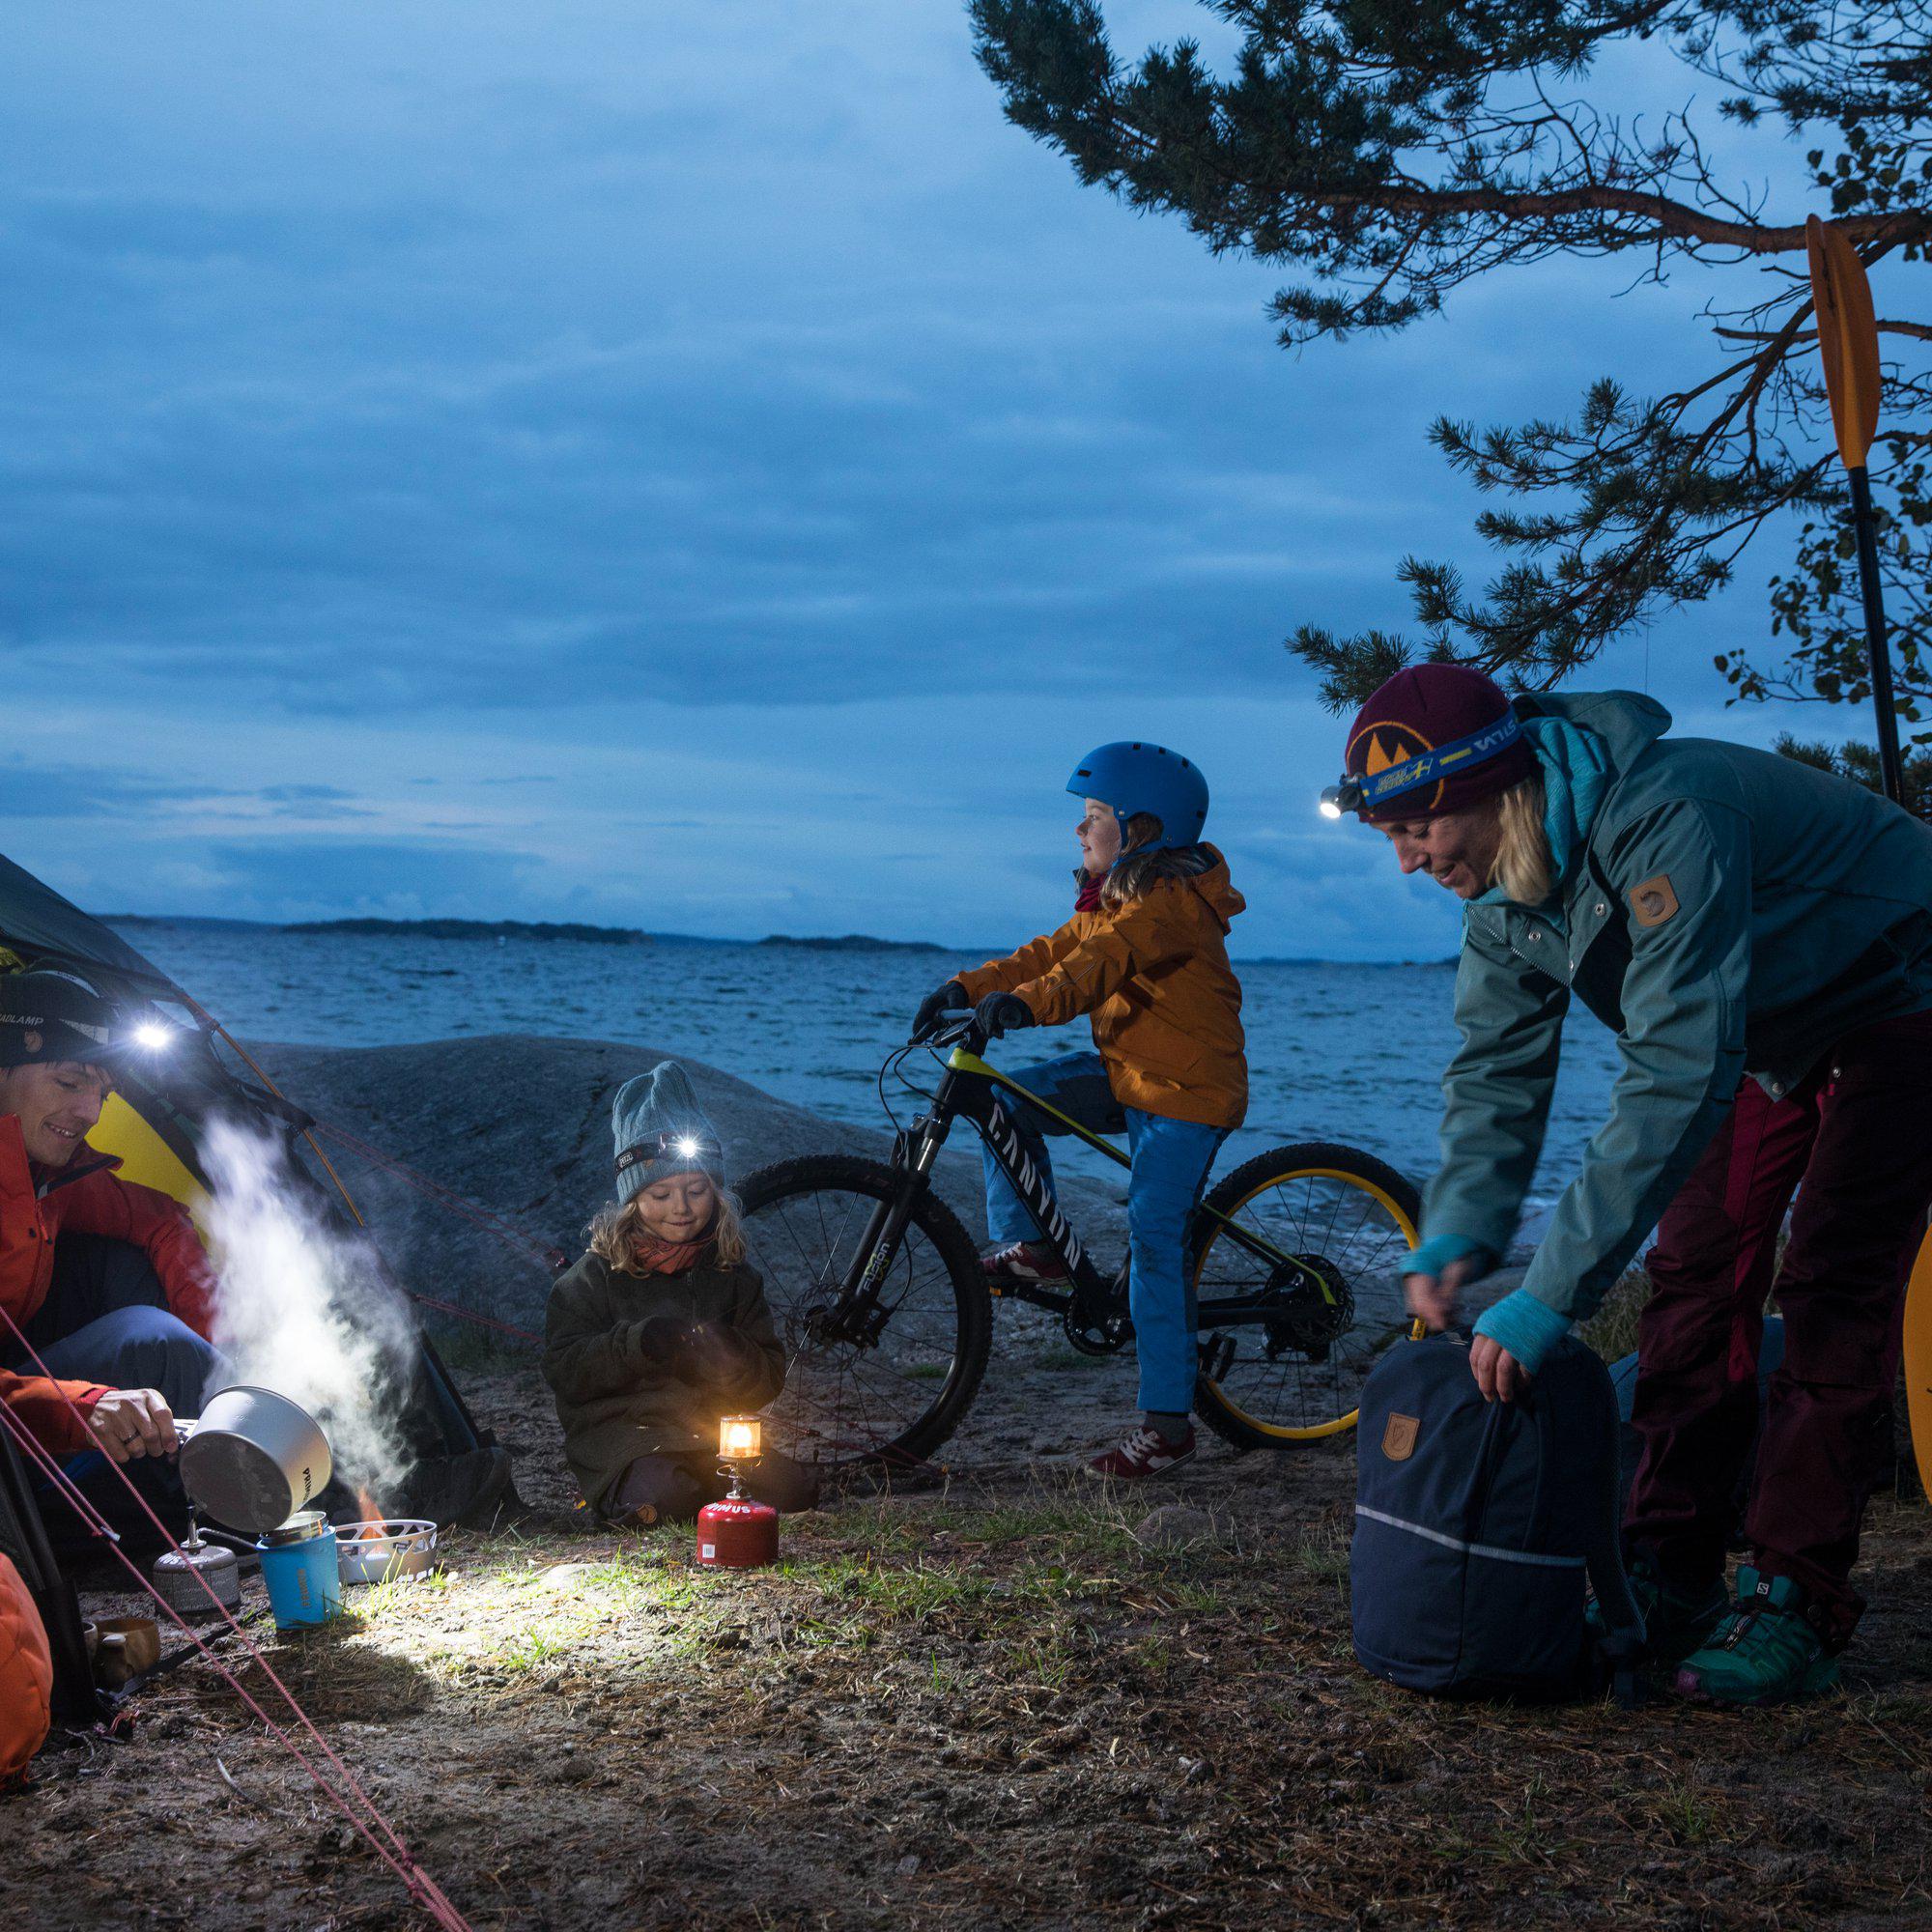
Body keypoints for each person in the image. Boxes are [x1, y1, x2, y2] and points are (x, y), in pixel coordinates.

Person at [1323, 662, 1932, 1705]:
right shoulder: (1508, 895)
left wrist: (1547, 1297)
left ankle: (1796, 1595)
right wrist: (1458, 1227)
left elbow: (1674, 1070)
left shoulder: (1666, 817)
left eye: (1415, 829)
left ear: (1488, 787)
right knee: (1696, 1266)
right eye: (1388, 834)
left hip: (1902, 985)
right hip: (1767, 1024)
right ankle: (1671, 1563)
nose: (1405, 860)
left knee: (1831, 1274)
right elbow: (1494, 1072)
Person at [912, 742, 1246, 1480]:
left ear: (1142, 828)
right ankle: (1037, 1247)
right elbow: (1052, 951)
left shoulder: (1169, 907)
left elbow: (1094, 969)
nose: (1079, 830)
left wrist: (1027, 1008)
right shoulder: (1113, 897)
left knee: (1154, 1239)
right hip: (1128, 1073)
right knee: (1005, 1098)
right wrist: (967, 988)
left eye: (1094, 815)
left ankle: (1168, 1428)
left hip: (1189, 1093)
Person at [542, 1063, 817, 1526]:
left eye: (696, 1190)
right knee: (670, 1498)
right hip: (628, 1436)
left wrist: (732, 1354)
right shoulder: (594, 1275)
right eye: (661, 1194)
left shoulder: (734, 1275)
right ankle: (625, 1497)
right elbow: (564, 1370)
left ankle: (710, 1488)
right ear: (633, 1201)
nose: (682, 1209)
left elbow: (768, 1378)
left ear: (716, 1192)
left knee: (793, 1492)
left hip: (713, 1435)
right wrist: (639, 1344)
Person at [0, 971, 217, 1539]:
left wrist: (220, 1354)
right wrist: (80, 1406)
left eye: (102, 1091)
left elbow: (162, 1220)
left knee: (123, 1268)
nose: (91, 1112)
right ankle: (292, 1506)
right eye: (69, 1082)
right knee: (153, 1339)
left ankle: (218, 1483)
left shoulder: (46, 1167)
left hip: (20, 1387)